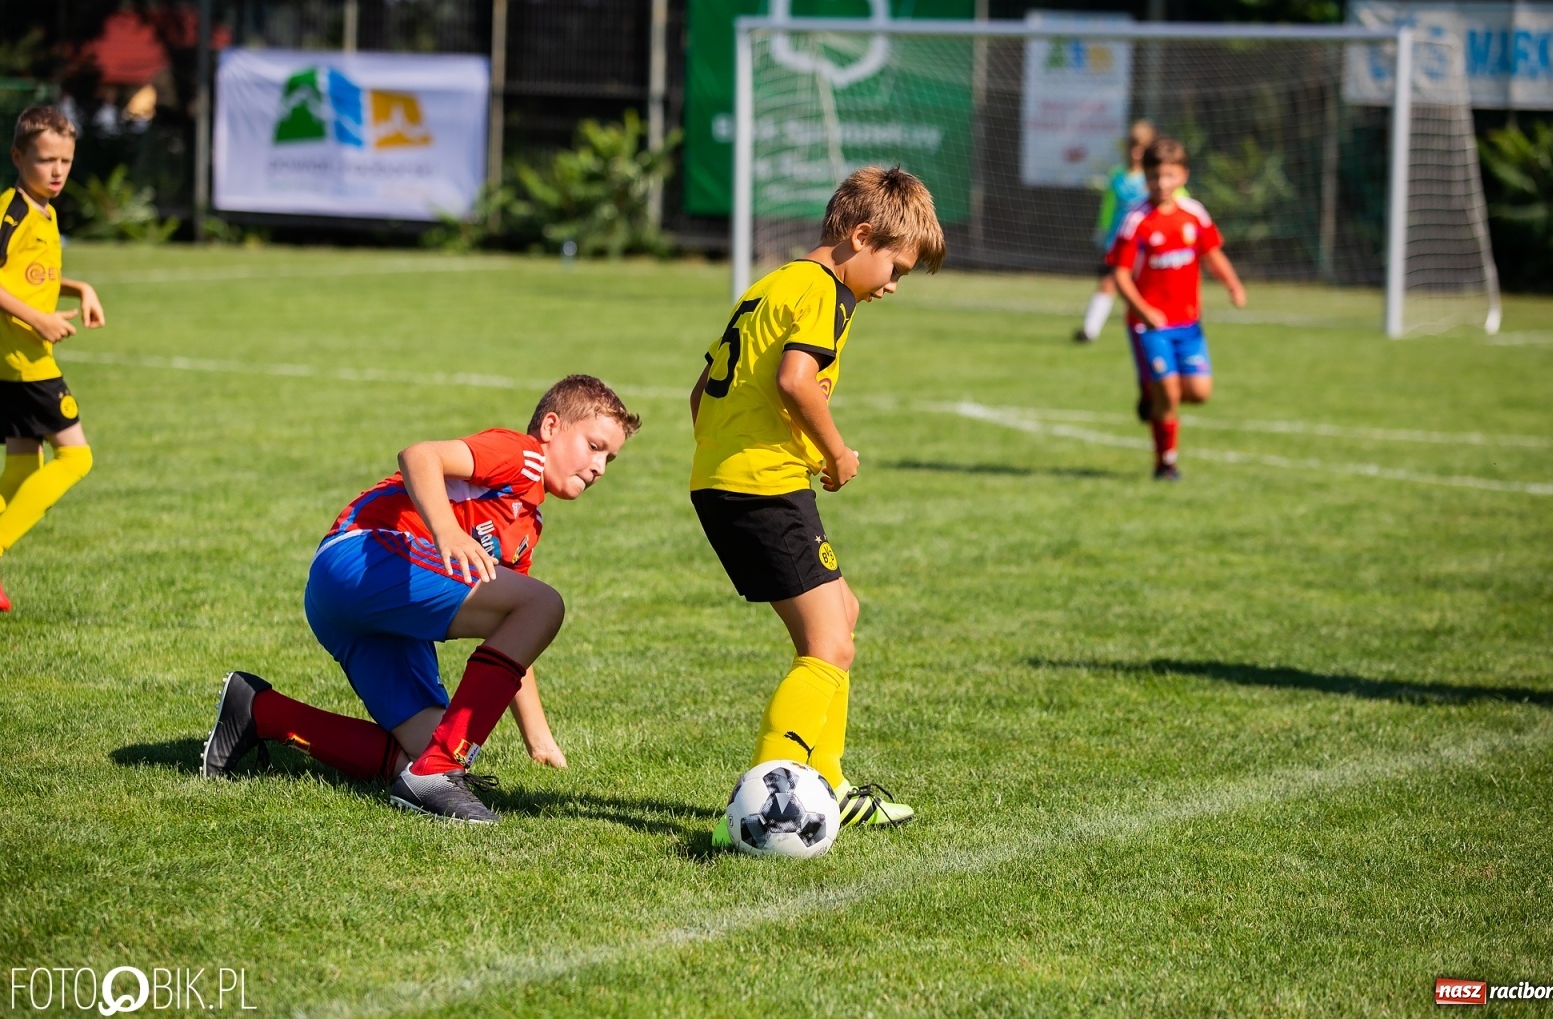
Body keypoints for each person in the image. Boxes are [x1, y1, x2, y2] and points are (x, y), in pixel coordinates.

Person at [202, 375, 641, 823]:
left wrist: (539, 738)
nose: (600, 467)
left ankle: (258, 710)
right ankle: (440, 767)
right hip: (362, 557)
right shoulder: (522, 455)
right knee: (544, 606)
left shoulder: (527, 530)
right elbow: (419, 455)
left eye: (610, 457)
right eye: (594, 445)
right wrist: (446, 531)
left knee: (424, 749)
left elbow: (515, 632)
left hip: (360, 608)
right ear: (550, 427)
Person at [688, 166, 945, 845]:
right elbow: (797, 380)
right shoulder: (826, 292)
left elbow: (700, 392)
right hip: (760, 486)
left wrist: (742, 451)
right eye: (895, 266)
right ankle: (766, 802)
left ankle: (828, 784)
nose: (892, 283)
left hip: (733, 477)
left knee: (841, 619)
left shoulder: (772, 284)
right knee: (830, 641)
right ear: (861, 236)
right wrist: (834, 452)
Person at [0, 106, 106, 613]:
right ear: (18, 156)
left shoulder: (45, 208)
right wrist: (38, 321)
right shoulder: (13, 213)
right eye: (45, 160)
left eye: (65, 159)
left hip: (17, 358)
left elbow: (29, 277)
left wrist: (79, 286)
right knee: (76, 457)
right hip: (24, 361)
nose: (57, 170)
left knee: (23, 463)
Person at [1108, 137, 1247, 479]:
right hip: (1149, 325)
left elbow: (1212, 253)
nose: (1162, 184)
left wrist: (1232, 283)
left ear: (1183, 175)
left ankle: (1152, 395)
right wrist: (1143, 311)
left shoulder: (1194, 214)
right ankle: (1165, 463)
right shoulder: (1136, 219)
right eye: (1155, 177)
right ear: (1146, 179)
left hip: (1188, 323)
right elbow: (1121, 274)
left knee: (1198, 393)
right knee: (1169, 393)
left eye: (1169, 175)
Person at [1075, 120, 1157, 343]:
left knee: (1146, 288)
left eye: (1141, 147)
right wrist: (1103, 232)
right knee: (1108, 283)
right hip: (1119, 242)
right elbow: (1109, 208)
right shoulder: (1117, 176)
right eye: (1132, 146)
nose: (1136, 152)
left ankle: (1149, 326)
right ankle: (1089, 331)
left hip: (1148, 245)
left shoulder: (1156, 178)